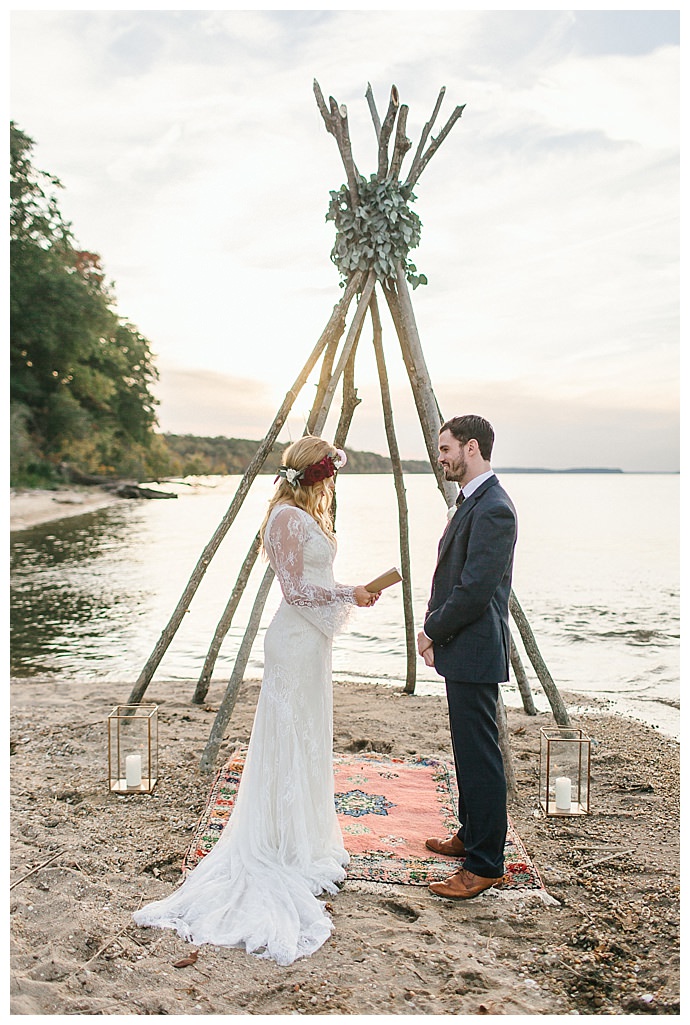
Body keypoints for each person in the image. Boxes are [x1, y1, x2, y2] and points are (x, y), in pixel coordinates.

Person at [133, 436, 381, 964]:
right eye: (329, 472)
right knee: (289, 733)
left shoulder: (301, 515)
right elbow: (294, 592)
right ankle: (283, 842)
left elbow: (316, 579)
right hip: (293, 639)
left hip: (312, 640)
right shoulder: (287, 519)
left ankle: (304, 836)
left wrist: (350, 590)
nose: (333, 480)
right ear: (316, 474)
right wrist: (348, 592)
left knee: (309, 733)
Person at [417, 414, 517, 900]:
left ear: (471, 448)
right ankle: (470, 834)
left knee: (480, 757)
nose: (440, 458)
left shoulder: (494, 507)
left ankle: (485, 864)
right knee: (467, 749)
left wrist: (431, 630)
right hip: (465, 648)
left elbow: (476, 590)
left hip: (474, 648)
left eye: (445, 449)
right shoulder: (473, 502)